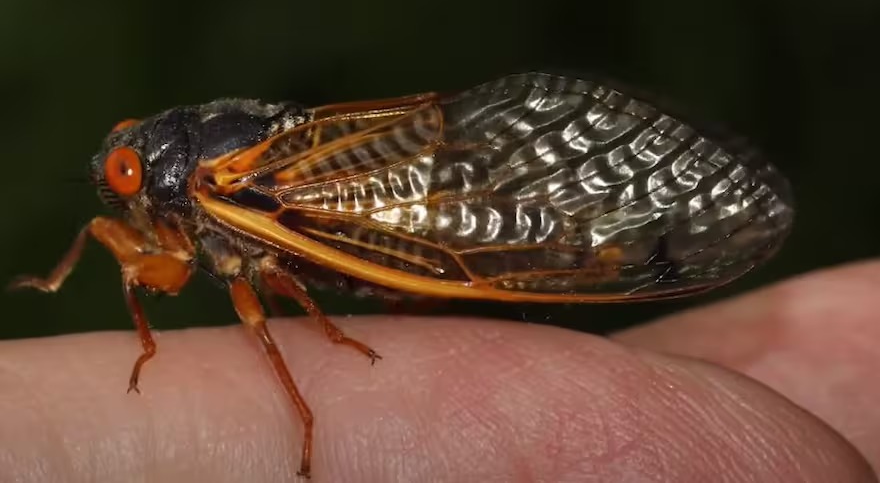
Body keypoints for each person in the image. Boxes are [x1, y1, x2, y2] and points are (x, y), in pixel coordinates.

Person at [1, 259, 877, 482]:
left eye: (126, 174)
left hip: (341, 215)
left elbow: (267, 279)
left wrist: (322, 373)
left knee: (265, 306)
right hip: (281, 232)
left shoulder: (219, 196)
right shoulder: (165, 234)